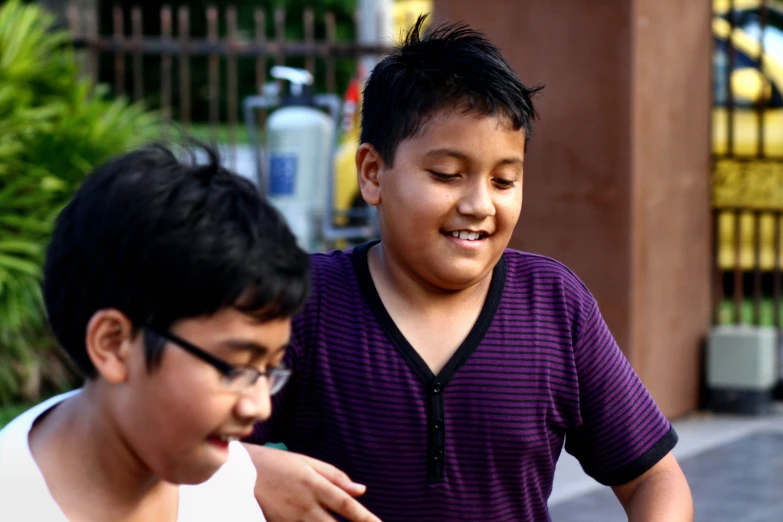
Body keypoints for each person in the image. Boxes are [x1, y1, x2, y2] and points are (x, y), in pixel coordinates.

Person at [244, 16, 694, 522]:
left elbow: (655, 478)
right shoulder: (306, 303)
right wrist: (248, 471)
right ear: (373, 174)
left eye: (504, 181)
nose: (480, 204)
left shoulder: (554, 306)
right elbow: (187, 454)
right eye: (447, 175)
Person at [0, 142, 310, 521]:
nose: (259, 406)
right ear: (113, 344)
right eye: (234, 368)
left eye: (268, 369)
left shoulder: (225, 483)